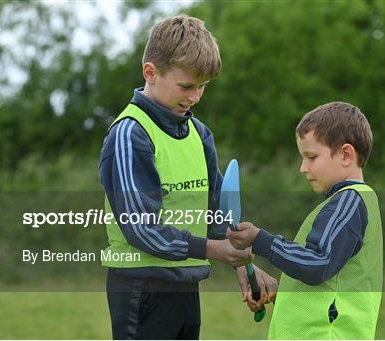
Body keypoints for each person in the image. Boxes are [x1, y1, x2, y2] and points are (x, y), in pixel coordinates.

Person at [99, 15, 276, 340]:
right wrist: (214, 250)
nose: (195, 97)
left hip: (186, 284)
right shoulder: (130, 134)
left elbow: (216, 215)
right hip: (141, 287)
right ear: (150, 72)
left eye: (202, 87)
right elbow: (141, 227)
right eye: (186, 86)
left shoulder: (200, 134)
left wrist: (242, 264)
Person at [227, 102, 383, 339]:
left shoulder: (348, 202)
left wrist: (261, 241)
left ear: (345, 154)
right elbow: (326, 284)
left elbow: (318, 264)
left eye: (311, 157)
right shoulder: (348, 202)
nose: (303, 168)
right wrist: (280, 292)